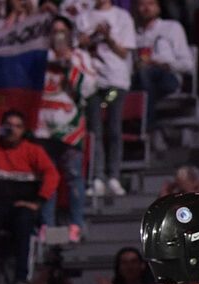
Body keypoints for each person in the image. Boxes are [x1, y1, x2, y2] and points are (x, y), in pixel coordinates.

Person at [38, 14, 95, 243]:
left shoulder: (81, 56)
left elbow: (89, 89)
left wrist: (68, 62)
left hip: (70, 126)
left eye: (63, 31)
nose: (58, 35)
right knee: (47, 178)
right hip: (42, 127)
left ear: (70, 34)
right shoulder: (40, 57)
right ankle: (47, 227)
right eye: (54, 31)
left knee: (73, 177)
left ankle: (75, 224)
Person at [0, 109, 60, 284]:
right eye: (9, 126)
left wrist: (38, 202)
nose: (12, 130)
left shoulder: (33, 150)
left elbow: (52, 175)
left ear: (24, 130)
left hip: (23, 205)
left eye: (17, 126)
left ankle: (21, 277)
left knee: (24, 220)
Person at [77, 0, 135, 198]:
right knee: (94, 130)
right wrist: (93, 36)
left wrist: (108, 36)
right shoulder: (83, 17)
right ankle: (97, 177)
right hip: (92, 82)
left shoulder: (122, 17)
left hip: (114, 82)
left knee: (113, 127)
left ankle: (113, 176)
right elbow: (79, 46)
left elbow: (124, 51)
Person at [133, 0, 194, 130]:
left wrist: (162, 63)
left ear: (158, 8)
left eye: (150, 4)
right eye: (142, 5)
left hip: (168, 77)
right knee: (116, 90)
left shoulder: (171, 28)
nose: (146, 8)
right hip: (140, 78)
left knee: (146, 76)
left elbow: (188, 64)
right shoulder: (134, 35)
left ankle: (145, 128)